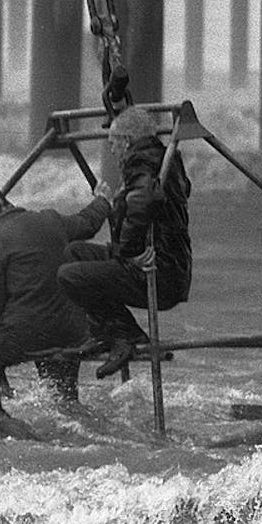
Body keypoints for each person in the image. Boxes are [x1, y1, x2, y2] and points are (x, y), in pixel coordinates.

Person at [57, 106, 192, 379]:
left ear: (127, 141)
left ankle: (127, 334)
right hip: (170, 267)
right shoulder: (160, 159)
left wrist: (129, 251)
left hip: (158, 272)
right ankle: (108, 333)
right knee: (74, 253)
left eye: (112, 144)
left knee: (68, 276)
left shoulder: (142, 163)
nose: (112, 151)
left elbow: (141, 203)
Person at [0, 180, 111, 402]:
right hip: (71, 331)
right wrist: (102, 201)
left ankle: (4, 407)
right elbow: (88, 223)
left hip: (27, 335)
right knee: (63, 398)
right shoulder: (50, 219)